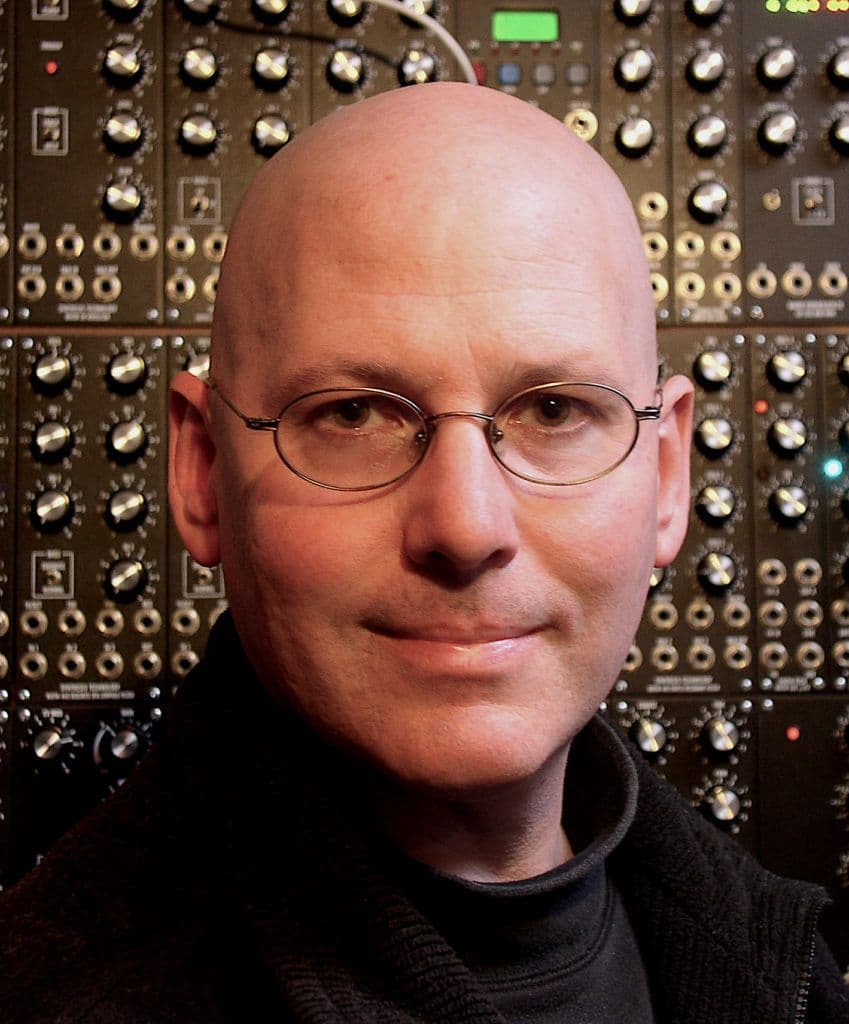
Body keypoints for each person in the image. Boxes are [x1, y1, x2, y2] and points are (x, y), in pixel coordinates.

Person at [1, 82, 846, 1023]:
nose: (464, 527)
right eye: (351, 414)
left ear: (667, 475)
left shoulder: (788, 969)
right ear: (202, 472)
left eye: (554, 411)